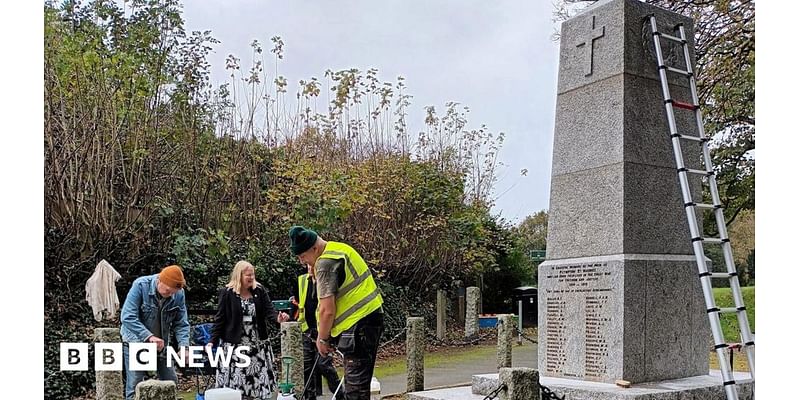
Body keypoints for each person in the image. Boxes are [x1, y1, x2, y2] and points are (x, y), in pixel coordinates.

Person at [289, 225, 384, 400]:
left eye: (303, 256)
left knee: (355, 391)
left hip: (358, 326)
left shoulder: (325, 263)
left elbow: (327, 310)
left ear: (314, 248)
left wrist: (323, 338)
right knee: (358, 386)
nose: (302, 262)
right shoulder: (338, 249)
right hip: (369, 318)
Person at [209, 260, 289, 400]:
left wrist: (278, 318)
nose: (251, 278)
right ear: (239, 275)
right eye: (247, 275)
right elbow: (220, 319)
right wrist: (212, 341)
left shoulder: (259, 290)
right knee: (237, 385)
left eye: (252, 275)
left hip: (257, 346)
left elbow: (269, 311)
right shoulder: (227, 293)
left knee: (257, 384)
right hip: (234, 347)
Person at [120, 265, 190, 400]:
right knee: (135, 386)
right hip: (136, 342)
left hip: (162, 345)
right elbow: (127, 316)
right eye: (168, 291)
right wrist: (149, 337)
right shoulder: (140, 285)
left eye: (174, 292)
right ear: (160, 280)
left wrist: (184, 347)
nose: (171, 295)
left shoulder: (178, 294)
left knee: (171, 382)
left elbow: (181, 323)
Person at [290, 264, 344, 400]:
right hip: (307, 330)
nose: (310, 268)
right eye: (308, 265)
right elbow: (297, 303)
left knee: (323, 364)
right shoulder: (302, 280)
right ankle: (309, 397)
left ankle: (340, 395)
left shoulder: (326, 280)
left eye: (312, 265)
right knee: (306, 367)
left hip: (323, 330)